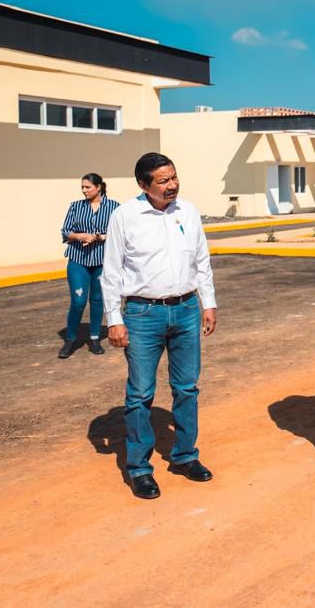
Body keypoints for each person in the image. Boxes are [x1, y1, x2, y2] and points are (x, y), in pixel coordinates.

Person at [101, 153, 218, 500]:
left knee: (187, 388)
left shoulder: (188, 212)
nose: (172, 185)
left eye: (174, 177)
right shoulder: (125, 216)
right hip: (142, 315)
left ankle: (185, 455)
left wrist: (208, 303)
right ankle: (139, 468)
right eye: (163, 181)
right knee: (140, 393)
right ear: (143, 185)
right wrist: (114, 319)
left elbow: (201, 260)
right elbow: (111, 271)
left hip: (186, 309)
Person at [58, 173, 119, 359]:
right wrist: (80, 236)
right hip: (78, 260)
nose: (84, 190)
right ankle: (70, 340)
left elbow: (120, 233)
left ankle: (94, 339)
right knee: (78, 301)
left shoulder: (114, 207)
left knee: (97, 299)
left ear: (98, 187)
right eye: (82, 187)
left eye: (88, 187)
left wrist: (101, 237)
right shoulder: (76, 206)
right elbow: (65, 231)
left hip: (101, 261)